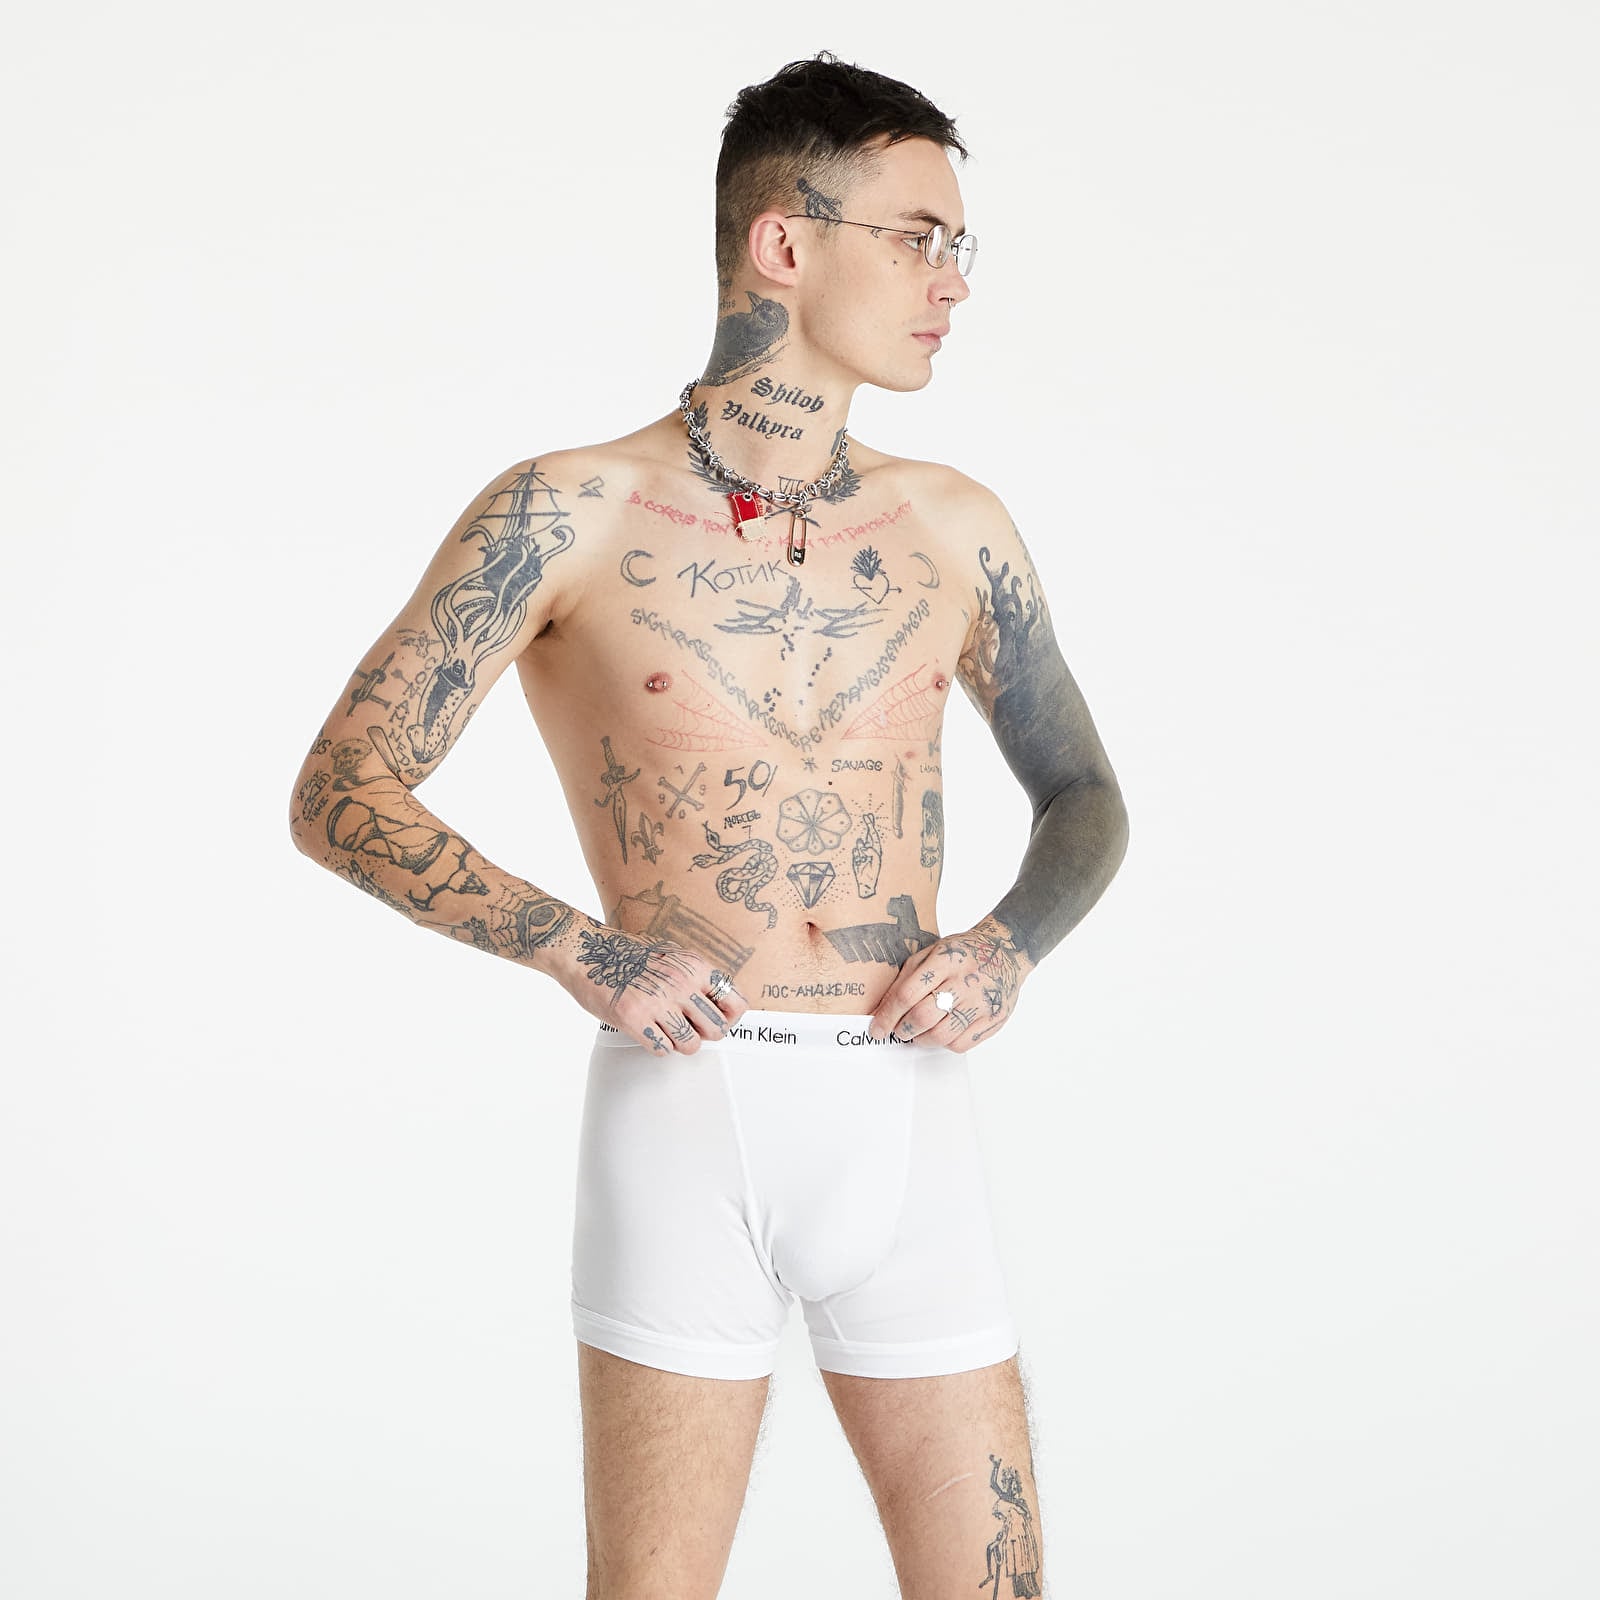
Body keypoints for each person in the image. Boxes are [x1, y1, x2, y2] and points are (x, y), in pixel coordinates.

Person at [289, 49, 1127, 1600]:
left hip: (911, 1114)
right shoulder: (569, 508)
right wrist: (577, 949)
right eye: (918, 238)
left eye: (961, 245)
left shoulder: (955, 525)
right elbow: (343, 789)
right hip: (693, 1112)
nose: (953, 281)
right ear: (782, 243)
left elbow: (1084, 794)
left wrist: (1012, 946)